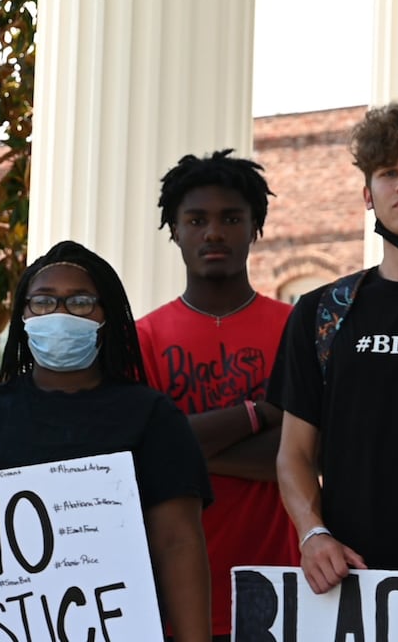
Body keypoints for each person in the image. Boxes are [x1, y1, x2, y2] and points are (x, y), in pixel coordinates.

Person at [0, 240, 212, 642]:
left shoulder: (152, 416)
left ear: (107, 316)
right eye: (43, 302)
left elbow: (177, 543)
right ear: (23, 315)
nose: (59, 315)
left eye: (80, 302)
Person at [269, 96, 398, 593]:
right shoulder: (321, 312)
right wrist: (312, 533)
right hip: (355, 578)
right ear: (367, 193)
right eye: (388, 172)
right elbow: (293, 453)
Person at [137, 151, 297, 640]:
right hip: (175, 587)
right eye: (196, 219)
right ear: (175, 231)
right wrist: (260, 414)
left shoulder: (295, 328)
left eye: (231, 218)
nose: (213, 233)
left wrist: (180, 445)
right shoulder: (144, 337)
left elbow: (306, 454)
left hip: (279, 584)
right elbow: (139, 460)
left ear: (255, 227)